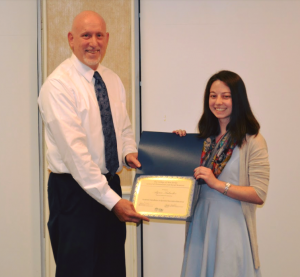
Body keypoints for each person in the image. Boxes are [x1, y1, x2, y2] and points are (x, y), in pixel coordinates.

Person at [38, 10, 149, 277]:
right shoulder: (58, 86)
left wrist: (128, 153)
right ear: (71, 39)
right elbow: (77, 157)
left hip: (107, 184)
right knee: (78, 271)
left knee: (111, 269)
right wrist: (115, 202)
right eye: (85, 35)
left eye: (99, 35)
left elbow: (122, 127)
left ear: (107, 39)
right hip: (73, 192)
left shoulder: (111, 79)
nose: (93, 42)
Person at [174, 70, 269, 277]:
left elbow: (259, 194)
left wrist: (217, 184)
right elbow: (183, 180)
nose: (218, 101)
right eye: (213, 95)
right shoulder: (202, 139)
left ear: (238, 99)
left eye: (226, 96)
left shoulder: (253, 140)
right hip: (201, 224)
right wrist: (176, 145)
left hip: (233, 227)